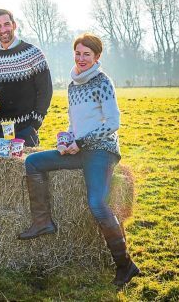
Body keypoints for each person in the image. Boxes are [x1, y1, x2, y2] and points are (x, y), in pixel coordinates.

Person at [20, 33, 140, 287]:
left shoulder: (102, 82)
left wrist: (82, 142)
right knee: (33, 163)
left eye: (87, 54)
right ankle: (43, 222)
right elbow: (79, 123)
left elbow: (113, 122)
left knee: (97, 203)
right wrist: (68, 138)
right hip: (78, 149)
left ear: (97, 57)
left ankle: (125, 265)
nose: (81, 58)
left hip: (101, 151)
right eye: (78, 53)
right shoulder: (73, 84)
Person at [0, 9, 52, 149]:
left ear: (14, 25)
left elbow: (45, 91)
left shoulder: (33, 53)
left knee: (27, 170)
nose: (3, 30)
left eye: (6, 24)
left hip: (24, 129)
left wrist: (35, 124)